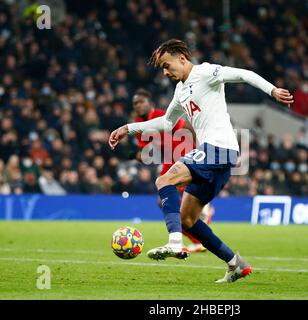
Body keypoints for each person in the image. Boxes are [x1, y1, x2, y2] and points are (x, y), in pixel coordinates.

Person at [109, 39, 293, 283]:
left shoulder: (206, 72)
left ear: (182, 59)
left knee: (165, 180)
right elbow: (166, 123)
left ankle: (174, 243)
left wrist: (272, 91)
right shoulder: (181, 91)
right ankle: (235, 264)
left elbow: (242, 74)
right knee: (187, 220)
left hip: (219, 148)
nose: (165, 72)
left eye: (167, 65)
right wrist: (128, 128)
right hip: (218, 158)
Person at [131, 88, 213, 253]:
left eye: (141, 102)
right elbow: (145, 150)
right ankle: (199, 235)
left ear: (150, 103)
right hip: (170, 159)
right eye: (135, 104)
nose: (138, 106)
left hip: (183, 154)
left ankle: (200, 211)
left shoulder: (162, 115)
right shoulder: (139, 124)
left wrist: (199, 148)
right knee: (163, 201)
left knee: (166, 200)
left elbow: (187, 127)